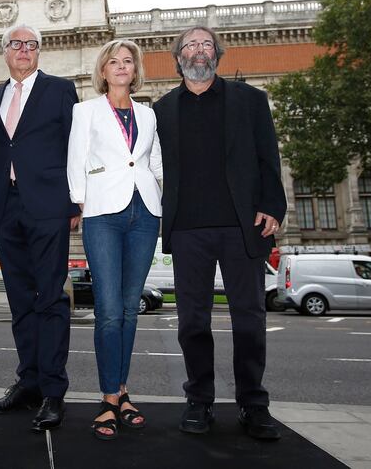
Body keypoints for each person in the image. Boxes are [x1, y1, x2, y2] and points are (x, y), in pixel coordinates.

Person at [153, 25, 287, 441]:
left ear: (217, 55)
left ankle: (253, 403)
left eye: (206, 44)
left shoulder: (250, 100)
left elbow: (269, 157)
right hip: (188, 229)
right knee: (192, 321)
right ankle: (199, 399)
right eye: (190, 45)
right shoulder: (160, 110)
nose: (198, 51)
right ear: (178, 58)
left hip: (241, 226)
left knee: (249, 319)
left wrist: (272, 206)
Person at [0, 25, 79, 432]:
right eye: (16, 45)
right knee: (21, 302)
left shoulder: (61, 90)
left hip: (49, 207)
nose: (23, 50)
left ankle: (54, 391)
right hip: (8, 210)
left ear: (39, 51)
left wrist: (75, 202)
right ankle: (30, 383)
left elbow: (76, 146)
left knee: (51, 299)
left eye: (31, 45)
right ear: (5, 52)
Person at [66, 39, 163, 440]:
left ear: (135, 71)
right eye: (114, 62)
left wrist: (163, 194)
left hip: (145, 213)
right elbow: (76, 158)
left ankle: (123, 391)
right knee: (108, 309)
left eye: (128, 62)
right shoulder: (85, 110)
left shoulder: (149, 114)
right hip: (103, 213)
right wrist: (79, 203)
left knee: (129, 307)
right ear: (103, 71)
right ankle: (108, 396)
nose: (121, 67)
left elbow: (154, 162)